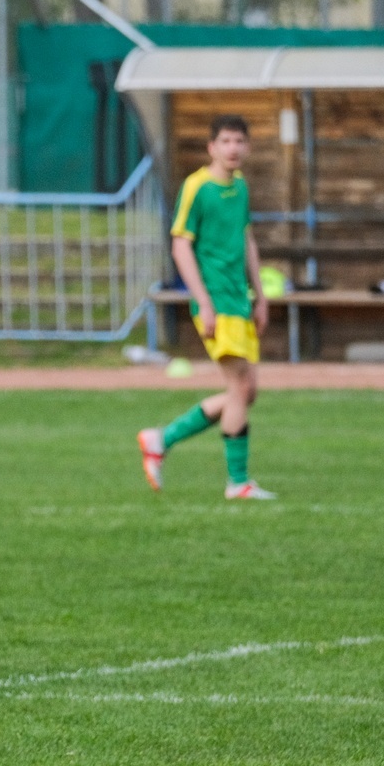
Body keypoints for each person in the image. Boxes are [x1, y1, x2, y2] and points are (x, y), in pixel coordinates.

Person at [138, 114, 275, 500]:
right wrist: (203, 301)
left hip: (239, 301)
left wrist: (260, 295)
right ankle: (238, 482)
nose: (233, 148)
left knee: (245, 393)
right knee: (240, 387)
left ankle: (162, 439)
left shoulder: (240, 186)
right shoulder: (196, 187)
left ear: (247, 147)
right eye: (226, 141)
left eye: (239, 141)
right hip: (215, 302)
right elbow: (180, 245)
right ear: (211, 147)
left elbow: (246, 239)